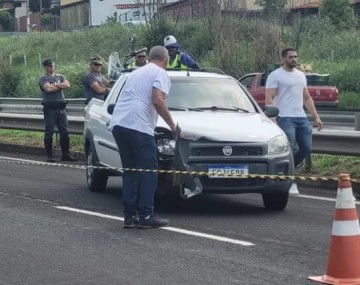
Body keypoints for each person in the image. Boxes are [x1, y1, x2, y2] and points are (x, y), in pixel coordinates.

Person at [108, 46, 178, 229]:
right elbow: (157, 100)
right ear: (166, 59)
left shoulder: (136, 73)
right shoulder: (160, 73)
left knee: (130, 171)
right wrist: (173, 126)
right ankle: (146, 214)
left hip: (119, 123)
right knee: (148, 171)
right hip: (138, 126)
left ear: (149, 57)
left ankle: (129, 216)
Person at [265, 47, 323, 195]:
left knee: (306, 148)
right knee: (289, 150)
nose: (294, 59)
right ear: (283, 59)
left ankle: (284, 172)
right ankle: (290, 181)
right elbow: (269, 98)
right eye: (291, 57)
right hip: (285, 117)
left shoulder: (300, 76)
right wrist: (273, 118)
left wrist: (316, 116)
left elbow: (307, 97)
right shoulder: (275, 75)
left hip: (301, 117)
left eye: (295, 57)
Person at [39, 59, 77, 162]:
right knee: (49, 131)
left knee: (64, 131)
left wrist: (55, 84)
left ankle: (65, 154)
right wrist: (59, 85)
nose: (52, 67)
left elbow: (67, 85)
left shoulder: (60, 76)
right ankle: (49, 156)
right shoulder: (43, 78)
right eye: (50, 66)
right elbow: (48, 89)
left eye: (53, 65)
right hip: (50, 109)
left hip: (61, 108)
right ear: (46, 67)